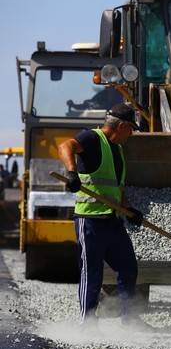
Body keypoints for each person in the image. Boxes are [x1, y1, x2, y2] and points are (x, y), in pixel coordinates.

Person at [58, 103, 150, 333]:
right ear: (121, 126)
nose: (131, 134)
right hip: (90, 221)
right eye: (131, 129)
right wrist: (72, 173)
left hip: (112, 221)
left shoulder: (117, 149)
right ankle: (88, 323)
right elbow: (65, 146)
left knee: (128, 267)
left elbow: (116, 189)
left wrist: (130, 210)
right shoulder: (91, 138)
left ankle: (130, 320)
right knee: (92, 273)